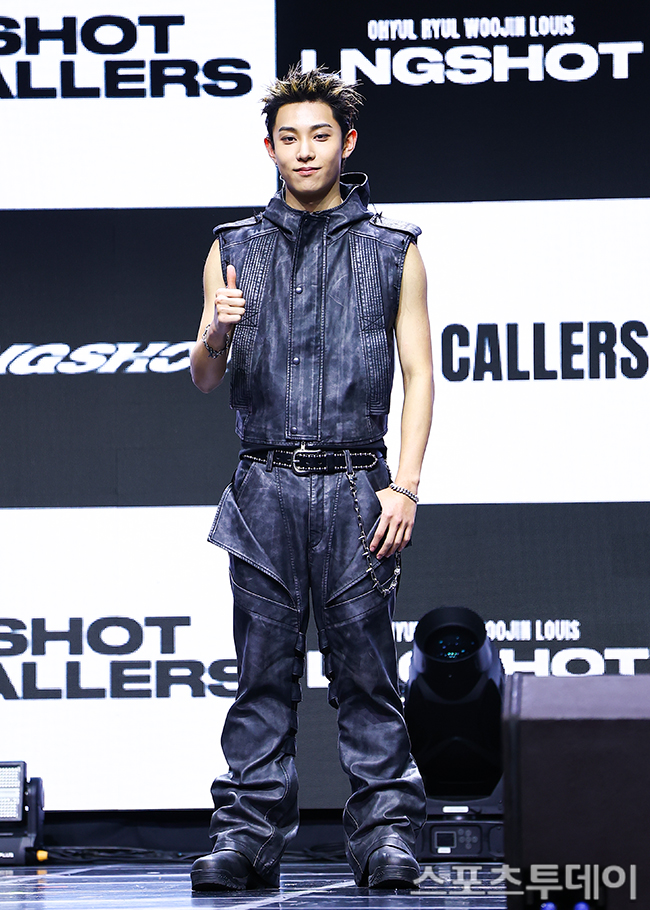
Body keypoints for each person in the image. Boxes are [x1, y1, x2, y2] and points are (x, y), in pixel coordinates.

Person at [189, 67, 434, 892]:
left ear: (346, 142)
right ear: (269, 147)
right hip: (264, 488)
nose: (304, 151)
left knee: (368, 677)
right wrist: (215, 334)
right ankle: (247, 837)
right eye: (289, 137)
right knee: (261, 677)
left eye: (320, 136)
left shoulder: (394, 249)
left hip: (359, 487)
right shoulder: (232, 247)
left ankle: (386, 836)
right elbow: (204, 375)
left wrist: (405, 486)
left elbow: (420, 374)